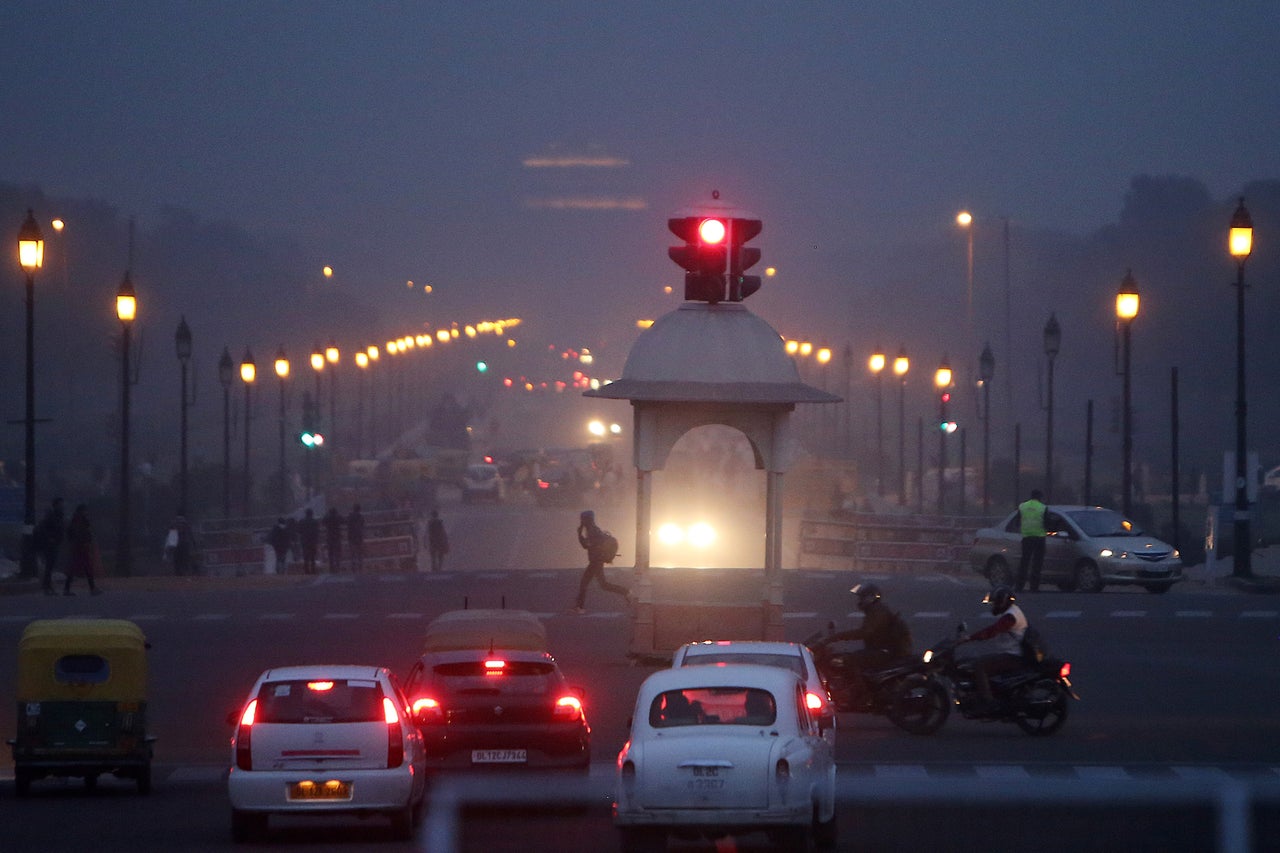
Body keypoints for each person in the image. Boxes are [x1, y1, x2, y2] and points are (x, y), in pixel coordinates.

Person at [812, 583, 913, 697]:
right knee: (847, 656)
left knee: (849, 660)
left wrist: (836, 637)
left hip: (884, 651)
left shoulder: (878, 612)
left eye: (862, 598)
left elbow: (865, 632)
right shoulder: (875, 610)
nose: (860, 601)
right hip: (880, 649)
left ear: (870, 598)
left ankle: (861, 694)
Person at [961, 585, 1029, 714]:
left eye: (995, 603)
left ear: (1003, 602)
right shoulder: (1013, 611)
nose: (993, 606)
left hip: (1013, 656)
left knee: (979, 665)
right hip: (1011, 653)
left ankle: (988, 702)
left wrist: (969, 638)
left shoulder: (1010, 617)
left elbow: (992, 631)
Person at [572, 509, 629, 614]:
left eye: (583, 519)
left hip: (595, 562)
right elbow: (588, 546)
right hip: (596, 561)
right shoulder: (592, 530)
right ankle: (626, 592)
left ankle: (579, 607)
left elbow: (586, 546)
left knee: (585, 583)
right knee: (603, 585)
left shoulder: (593, 531)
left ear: (588, 520)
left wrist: (579, 534)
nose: (582, 521)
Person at [63, 503, 102, 596]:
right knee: (85, 566)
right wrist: (85, 541)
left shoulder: (76, 520)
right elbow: (81, 533)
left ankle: (67, 588)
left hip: (78, 546)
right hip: (81, 546)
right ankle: (91, 588)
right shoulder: (80, 521)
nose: (86, 512)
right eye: (85, 510)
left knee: (77, 567)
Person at [1015, 489, 1048, 592]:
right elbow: (1047, 524)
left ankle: (1019, 586)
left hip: (1027, 537)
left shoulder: (1023, 506)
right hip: (1039, 538)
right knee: (1037, 563)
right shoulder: (1043, 508)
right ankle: (1034, 587)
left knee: (1024, 562)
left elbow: (1017, 522)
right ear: (1040, 497)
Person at [35, 497, 66, 595]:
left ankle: (48, 586)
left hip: (56, 542)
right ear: (56, 505)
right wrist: (50, 539)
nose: (62, 506)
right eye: (60, 504)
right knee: (49, 565)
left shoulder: (59, 515)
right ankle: (47, 586)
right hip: (50, 544)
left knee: (51, 565)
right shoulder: (51, 516)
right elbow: (44, 528)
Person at [169, 510, 194, 576]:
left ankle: (178, 576)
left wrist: (171, 549)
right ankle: (185, 576)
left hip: (177, 546)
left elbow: (172, 537)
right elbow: (190, 535)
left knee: (177, 564)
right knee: (185, 563)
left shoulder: (174, 523)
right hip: (185, 545)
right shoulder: (186, 523)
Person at [299, 508, 321, 575]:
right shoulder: (315, 522)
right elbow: (317, 531)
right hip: (313, 540)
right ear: (312, 514)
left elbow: (299, 530)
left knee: (306, 556)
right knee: (313, 557)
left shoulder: (302, 521)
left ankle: (306, 570)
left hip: (305, 541)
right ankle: (313, 570)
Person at [323, 506, 343, 572]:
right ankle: (338, 565)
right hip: (337, 536)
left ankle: (331, 567)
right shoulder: (338, 517)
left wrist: (326, 514)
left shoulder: (327, 518)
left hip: (329, 536)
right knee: (337, 552)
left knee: (330, 553)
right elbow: (343, 521)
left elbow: (323, 521)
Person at [347, 504, 365, 573]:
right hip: (359, 536)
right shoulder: (361, 517)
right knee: (360, 552)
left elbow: (347, 524)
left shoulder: (350, 516)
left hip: (351, 536)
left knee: (352, 552)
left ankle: (353, 566)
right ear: (359, 509)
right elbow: (362, 525)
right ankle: (360, 565)